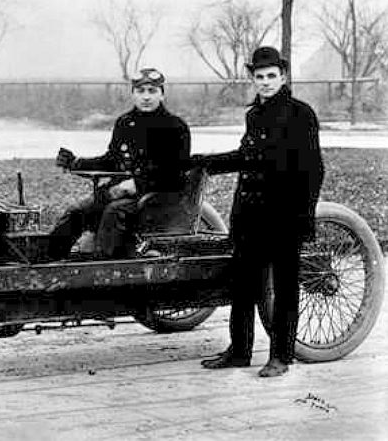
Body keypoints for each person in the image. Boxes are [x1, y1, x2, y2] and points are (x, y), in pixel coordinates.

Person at [197, 46, 324, 377]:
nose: (266, 82)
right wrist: (205, 164)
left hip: (284, 216)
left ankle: (281, 356)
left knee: (284, 289)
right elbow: (246, 157)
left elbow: (313, 170)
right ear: (252, 78)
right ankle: (239, 351)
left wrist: (304, 217)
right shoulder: (253, 115)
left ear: (283, 77)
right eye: (259, 77)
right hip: (249, 214)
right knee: (243, 285)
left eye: (271, 76)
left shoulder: (301, 113)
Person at [48, 68, 191, 260]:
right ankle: (49, 263)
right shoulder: (125, 123)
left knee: (113, 212)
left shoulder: (175, 127)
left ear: (162, 95)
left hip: (158, 198)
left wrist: (137, 184)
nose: (146, 97)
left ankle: (101, 269)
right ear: (133, 94)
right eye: (141, 91)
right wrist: (76, 163)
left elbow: (174, 172)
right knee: (77, 211)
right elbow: (111, 160)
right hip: (124, 195)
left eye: (152, 91)